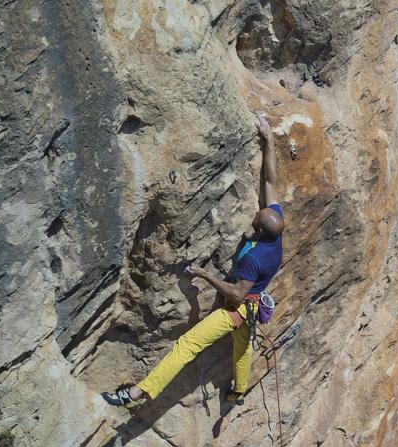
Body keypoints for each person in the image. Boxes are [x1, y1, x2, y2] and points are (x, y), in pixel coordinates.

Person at [104, 115, 285, 409]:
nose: (256, 213)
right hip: (251, 308)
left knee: (187, 345)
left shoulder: (254, 258)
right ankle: (238, 391)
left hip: (237, 308)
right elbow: (270, 181)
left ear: (260, 230)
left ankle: (138, 393)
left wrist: (204, 275)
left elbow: (237, 294)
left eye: (256, 218)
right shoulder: (275, 234)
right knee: (242, 352)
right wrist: (270, 142)